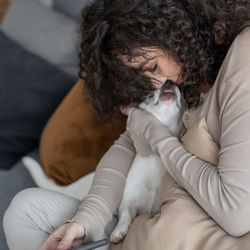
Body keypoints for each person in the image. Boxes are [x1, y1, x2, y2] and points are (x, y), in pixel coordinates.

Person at [3, 0, 250, 249]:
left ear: (174, 30)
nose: (158, 82)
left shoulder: (242, 59)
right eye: (144, 75)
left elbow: (236, 214)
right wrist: (87, 220)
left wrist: (160, 139)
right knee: (25, 209)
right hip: (148, 220)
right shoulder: (187, 68)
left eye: (152, 66)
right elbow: (128, 143)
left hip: (181, 233)